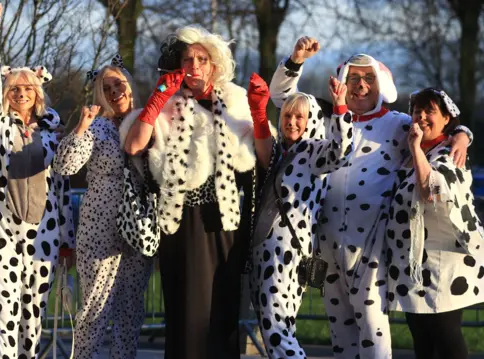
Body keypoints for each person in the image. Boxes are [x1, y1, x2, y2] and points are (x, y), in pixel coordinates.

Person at [268, 36, 472, 358]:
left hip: (372, 244)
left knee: (372, 328)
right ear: (343, 83)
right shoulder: (325, 118)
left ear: (382, 85)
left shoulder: (398, 125)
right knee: (340, 329)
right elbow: (282, 97)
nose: (361, 85)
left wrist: (463, 134)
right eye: (354, 78)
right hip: (327, 239)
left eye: (368, 78)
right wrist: (295, 60)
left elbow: (435, 128)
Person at [121, 25, 273, 359]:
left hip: (227, 223)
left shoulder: (235, 102)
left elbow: (267, 158)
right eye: (188, 58)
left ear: (214, 64)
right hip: (182, 221)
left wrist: (260, 114)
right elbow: (133, 145)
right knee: (188, 315)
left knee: (223, 312)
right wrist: (157, 100)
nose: (194, 65)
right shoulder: (167, 104)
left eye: (202, 58)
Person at [0, 5, 75, 358]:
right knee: (3, 316)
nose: (21, 93)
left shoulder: (53, 129)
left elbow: (62, 185)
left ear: (38, 94)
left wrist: (66, 238)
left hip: (44, 232)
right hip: (1, 229)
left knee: (32, 318)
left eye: (28, 88)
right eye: (14, 88)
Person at [53, 55, 153, 358]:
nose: (114, 92)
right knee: (95, 306)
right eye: (106, 88)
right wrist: (81, 127)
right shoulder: (97, 128)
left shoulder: (147, 122)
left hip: (137, 225)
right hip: (100, 226)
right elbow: (65, 165)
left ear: (130, 86)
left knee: (130, 308)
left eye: (118, 84)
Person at [250, 77, 353, 358]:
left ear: (312, 122)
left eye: (299, 117)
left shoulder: (313, 151)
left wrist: (341, 107)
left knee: (277, 330)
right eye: (287, 115)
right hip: (263, 251)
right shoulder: (281, 151)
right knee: (274, 331)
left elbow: (341, 152)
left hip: (287, 254)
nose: (292, 122)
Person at [385, 88, 484, 359]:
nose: (423, 116)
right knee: (422, 340)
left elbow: (433, 192)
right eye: (418, 111)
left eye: (431, 111)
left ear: (446, 119)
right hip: (413, 264)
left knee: (447, 338)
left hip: (445, 264)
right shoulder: (406, 151)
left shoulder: (450, 153)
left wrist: (419, 148)